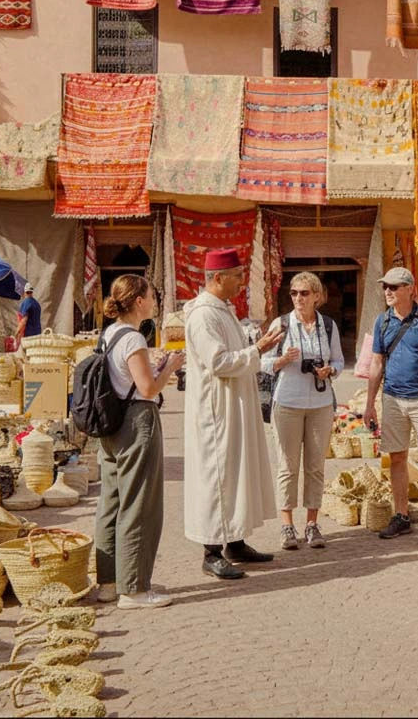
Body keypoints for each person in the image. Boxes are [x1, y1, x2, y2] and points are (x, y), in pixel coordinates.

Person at [183, 249, 286, 580]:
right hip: (217, 410)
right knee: (218, 475)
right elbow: (219, 362)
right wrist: (258, 349)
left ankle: (235, 540)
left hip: (234, 404)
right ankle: (211, 551)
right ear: (217, 278)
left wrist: (256, 345)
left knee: (237, 473)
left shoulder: (223, 311)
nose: (242, 282)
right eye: (238, 275)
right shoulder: (203, 315)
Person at [93, 275, 185, 609]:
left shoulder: (109, 334)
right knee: (139, 505)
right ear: (139, 301)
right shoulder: (133, 338)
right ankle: (134, 589)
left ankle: (109, 581)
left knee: (112, 501)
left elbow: (125, 380)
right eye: (152, 295)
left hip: (111, 424)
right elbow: (147, 389)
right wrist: (170, 367)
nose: (156, 300)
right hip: (136, 422)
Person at [362, 267, 418, 545]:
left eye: (394, 286)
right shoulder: (383, 322)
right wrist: (369, 404)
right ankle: (401, 515)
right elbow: (376, 363)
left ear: (410, 289)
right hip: (392, 398)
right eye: (385, 287)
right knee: (397, 457)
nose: (387, 291)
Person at [261, 272, 344, 551]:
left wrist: (329, 370)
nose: (298, 298)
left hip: (320, 404)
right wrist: (282, 360)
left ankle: (311, 524)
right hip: (287, 402)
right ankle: (287, 526)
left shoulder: (328, 326)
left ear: (317, 297)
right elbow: (262, 362)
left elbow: (340, 361)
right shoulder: (281, 323)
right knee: (287, 465)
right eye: (294, 293)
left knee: (315, 466)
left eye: (304, 293)